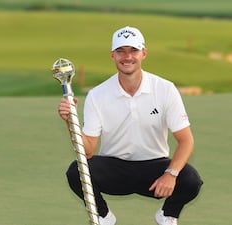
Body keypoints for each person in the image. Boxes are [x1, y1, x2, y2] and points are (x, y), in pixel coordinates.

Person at [58, 26, 203, 225]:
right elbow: (89, 150)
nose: (127, 57)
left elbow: (186, 141)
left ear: (143, 53)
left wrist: (170, 174)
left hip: (155, 169)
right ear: (112, 55)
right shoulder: (97, 95)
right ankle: (104, 216)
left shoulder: (165, 89)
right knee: (76, 172)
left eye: (133, 50)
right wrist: (70, 121)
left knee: (191, 180)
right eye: (121, 51)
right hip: (114, 168)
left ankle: (168, 214)